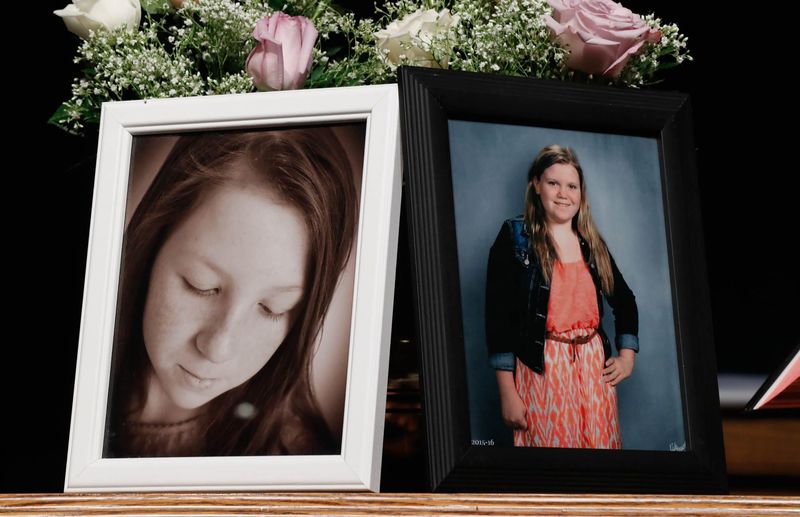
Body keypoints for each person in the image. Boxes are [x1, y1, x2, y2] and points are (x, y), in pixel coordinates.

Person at [104, 127, 358, 458]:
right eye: (201, 285)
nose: (218, 348)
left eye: (272, 308)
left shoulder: (299, 460)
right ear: (152, 244)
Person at [485, 144, 638, 449]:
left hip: (593, 371)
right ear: (536, 185)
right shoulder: (515, 237)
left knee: (600, 453)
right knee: (552, 459)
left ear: (581, 193)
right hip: (542, 367)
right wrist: (507, 392)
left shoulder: (591, 242)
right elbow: (498, 319)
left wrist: (626, 357)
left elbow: (625, 300)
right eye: (553, 183)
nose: (563, 194)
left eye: (572, 186)